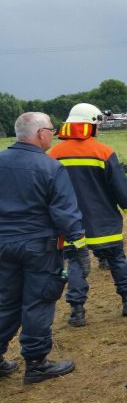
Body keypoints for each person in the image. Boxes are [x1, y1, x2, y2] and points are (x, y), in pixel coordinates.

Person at [0, 112, 84, 383]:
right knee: (38, 302)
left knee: (6, 302)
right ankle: (36, 363)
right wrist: (79, 244)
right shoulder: (49, 167)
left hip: (3, 245)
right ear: (40, 134)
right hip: (39, 247)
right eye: (51, 129)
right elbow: (65, 212)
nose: (54, 133)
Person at [49, 103, 127, 327]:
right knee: (117, 259)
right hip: (104, 221)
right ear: (90, 125)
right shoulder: (103, 152)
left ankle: (77, 312)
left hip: (70, 224)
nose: (99, 129)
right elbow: (119, 186)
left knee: (74, 264)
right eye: (97, 125)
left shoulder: (53, 154)